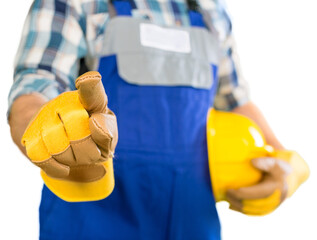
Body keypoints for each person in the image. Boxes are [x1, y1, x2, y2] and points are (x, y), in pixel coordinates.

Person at [7, 0, 308, 239]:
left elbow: (234, 102)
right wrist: (44, 126)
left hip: (192, 224)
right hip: (89, 224)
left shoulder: (211, 8)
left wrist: (284, 161)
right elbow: (36, 82)